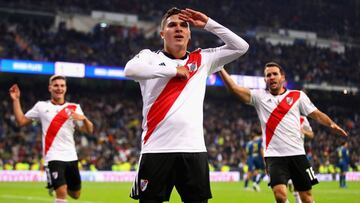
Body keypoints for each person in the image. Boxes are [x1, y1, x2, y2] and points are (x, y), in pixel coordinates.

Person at [125, 7, 249, 203]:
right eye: (172, 25)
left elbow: (241, 46)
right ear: (162, 33)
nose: (179, 29)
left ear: (190, 34)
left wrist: (208, 23)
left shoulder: (203, 59)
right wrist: (173, 71)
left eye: (184, 25)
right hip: (156, 150)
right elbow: (130, 70)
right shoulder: (149, 56)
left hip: (194, 150)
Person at [219, 62, 348, 203]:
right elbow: (234, 88)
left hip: (298, 154)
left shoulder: (298, 96)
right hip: (274, 156)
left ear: (282, 77)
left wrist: (331, 124)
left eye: (275, 74)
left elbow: (316, 114)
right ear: (265, 80)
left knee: (307, 198)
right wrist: (220, 68)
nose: (272, 77)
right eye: (268, 75)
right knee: (280, 196)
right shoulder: (259, 97)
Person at [9, 75, 94, 203]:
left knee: (76, 195)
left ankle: (56, 184)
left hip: (71, 157)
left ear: (65, 88)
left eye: (62, 85)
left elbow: (89, 130)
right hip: (53, 156)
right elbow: (21, 121)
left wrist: (84, 119)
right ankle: (57, 184)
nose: (59, 88)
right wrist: (16, 100)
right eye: (56, 85)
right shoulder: (41, 107)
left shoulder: (74, 107)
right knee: (62, 193)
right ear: (50, 88)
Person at [288, 115, 314, 203]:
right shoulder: (282, 116)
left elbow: (311, 134)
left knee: (304, 185)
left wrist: (304, 131)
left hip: (299, 153)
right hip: (284, 153)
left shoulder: (302, 118)